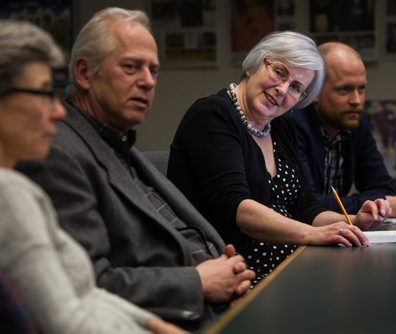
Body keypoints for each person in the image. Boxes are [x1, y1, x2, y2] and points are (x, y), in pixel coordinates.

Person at [16, 8, 254, 332]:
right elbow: (90, 284)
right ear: (85, 73)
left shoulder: (118, 140)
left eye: (154, 71)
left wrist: (224, 272)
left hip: (218, 301)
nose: (147, 81)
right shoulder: (56, 152)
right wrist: (198, 282)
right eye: (131, 67)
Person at [0, 19, 186, 334]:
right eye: (44, 92)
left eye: (153, 71)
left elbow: (87, 293)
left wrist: (154, 325)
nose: (58, 111)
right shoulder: (9, 194)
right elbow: (68, 324)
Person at [167, 31, 391, 286]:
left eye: (296, 87)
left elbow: (306, 208)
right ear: (253, 65)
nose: (283, 89)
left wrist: (352, 220)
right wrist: (312, 234)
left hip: (288, 269)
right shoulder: (212, 115)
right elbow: (238, 209)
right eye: (279, 72)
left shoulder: (282, 126)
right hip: (235, 275)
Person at [290, 42, 396, 223]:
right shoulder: (292, 125)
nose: (357, 100)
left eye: (361, 89)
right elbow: (304, 204)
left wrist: (384, 202)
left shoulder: (354, 121)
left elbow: (382, 188)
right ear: (313, 90)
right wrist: (389, 205)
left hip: (336, 234)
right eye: (344, 89)